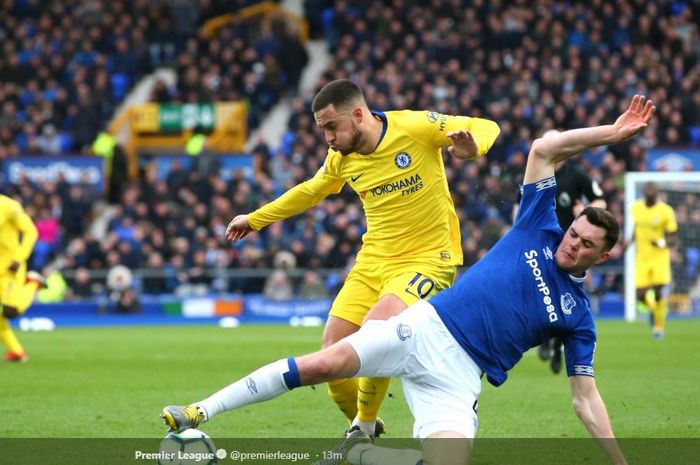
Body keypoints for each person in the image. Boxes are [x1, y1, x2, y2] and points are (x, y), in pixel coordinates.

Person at [162, 96, 654, 465]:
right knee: (329, 356)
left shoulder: (578, 317)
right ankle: (204, 412)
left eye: (585, 245)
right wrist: (610, 134)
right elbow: (543, 148)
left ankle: (363, 451)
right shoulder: (537, 227)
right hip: (422, 323)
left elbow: (585, 398)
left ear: (604, 255)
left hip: (457, 370)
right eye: (574, 233)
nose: (572, 244)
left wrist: (621, 462)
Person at [224, 78, 500, 437]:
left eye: (331, 127)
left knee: (378, 330)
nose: (328, 138)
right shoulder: (341, 158)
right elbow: (311, 190)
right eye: (323, 129)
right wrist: (255, 219)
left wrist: (473, 147)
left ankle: (364, 424)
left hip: (427, 258)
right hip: (373, 262)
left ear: (357, 114)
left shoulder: (415, 127)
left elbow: (487, 125)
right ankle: (364, 427)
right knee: (331, 355)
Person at [514, 147, 607, 374]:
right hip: (540, 244)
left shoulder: (576, 174)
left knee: (563, 298)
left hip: (570, 249)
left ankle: (556, 344)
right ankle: (549, 341)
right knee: (540, 292)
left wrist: (585, 210)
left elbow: (601, 201)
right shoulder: (535, 171)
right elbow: (520, 206)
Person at [0, 194, 47, 362]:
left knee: (11, 310)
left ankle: (33, 283)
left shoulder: (8, 206)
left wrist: (19, 258)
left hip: (9, 268)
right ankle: (17, 352)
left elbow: (31, 231)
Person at [629, 182, 678, 339]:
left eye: (653, 190)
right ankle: (653, 310)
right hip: (642, 256)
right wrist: (626, 244)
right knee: (640, 295)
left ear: (657, 193)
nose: (650, 193)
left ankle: (658, 326)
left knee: (658, 291)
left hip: (659, 257)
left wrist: (661, 243)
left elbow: (673, 239)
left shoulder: (666, 211)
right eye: (647, 190)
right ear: (644, 192)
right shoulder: (636, 208)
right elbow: (637, 229)